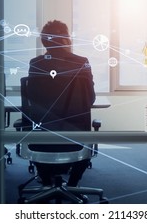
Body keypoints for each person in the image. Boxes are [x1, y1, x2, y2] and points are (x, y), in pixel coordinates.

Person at [28, 20, 95, 187]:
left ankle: (45, 182)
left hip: (42, 140)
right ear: (65, 39)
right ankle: (72, 185)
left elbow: (31, 99)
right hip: (75, 140)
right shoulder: (81, 62)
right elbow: (90, 99)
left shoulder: (35, 63)